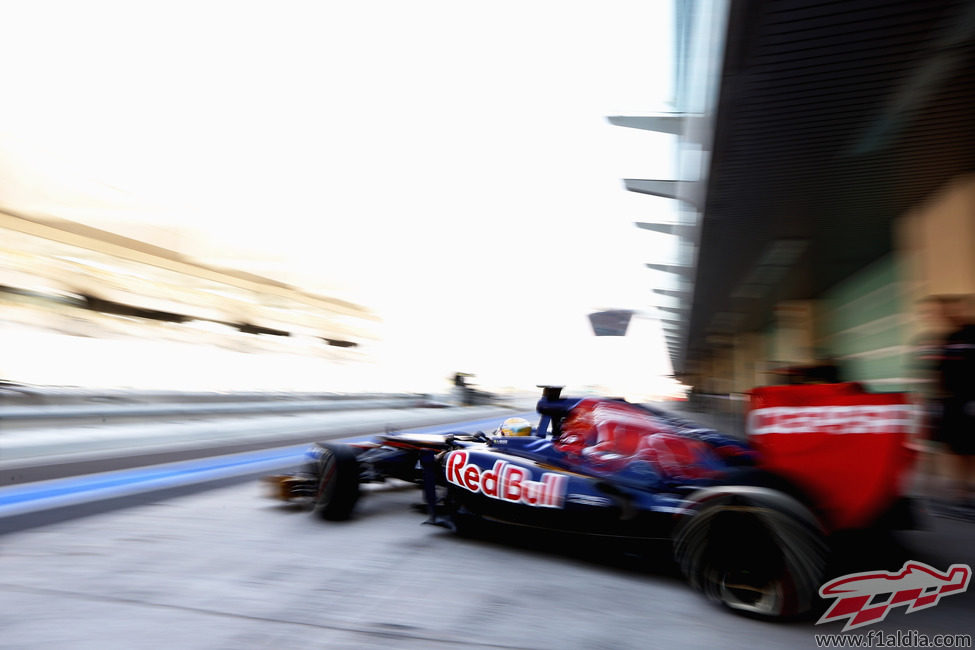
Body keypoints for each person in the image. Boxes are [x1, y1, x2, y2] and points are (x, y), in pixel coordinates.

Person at [933, 295, 975, 511]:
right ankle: (961, 486)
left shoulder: (971, 334)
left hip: (969, 399)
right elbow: (941, 371)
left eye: (952, 310)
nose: (947, 315)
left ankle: (966, 486)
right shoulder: (948, 337)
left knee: (968, 446)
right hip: (952, 400)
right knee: (955, 446)